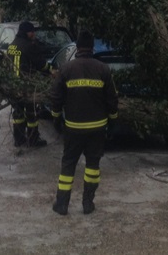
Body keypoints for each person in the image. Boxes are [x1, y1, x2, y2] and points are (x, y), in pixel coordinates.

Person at [48, 30, 118, 216]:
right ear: (92, 47)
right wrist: (113, 121)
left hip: (73, 128)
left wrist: (56, 118)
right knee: (92, 166)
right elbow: (112, 99)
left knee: (68, 165)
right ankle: (88, 203)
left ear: (77, 47)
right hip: (97, 128)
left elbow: (55, 97)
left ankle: (62, 204)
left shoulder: (66, 69)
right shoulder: (103, 69)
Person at [7, 20, 50, 148]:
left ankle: (19, 139)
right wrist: (51, 71)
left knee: (18, 112)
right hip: (27, 86)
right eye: (32, 32)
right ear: (27, 32)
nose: (34, 34)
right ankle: (33, 140)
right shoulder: (29, 46)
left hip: (13, 85)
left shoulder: (12, 45)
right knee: (32, 113)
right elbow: (41, 65)